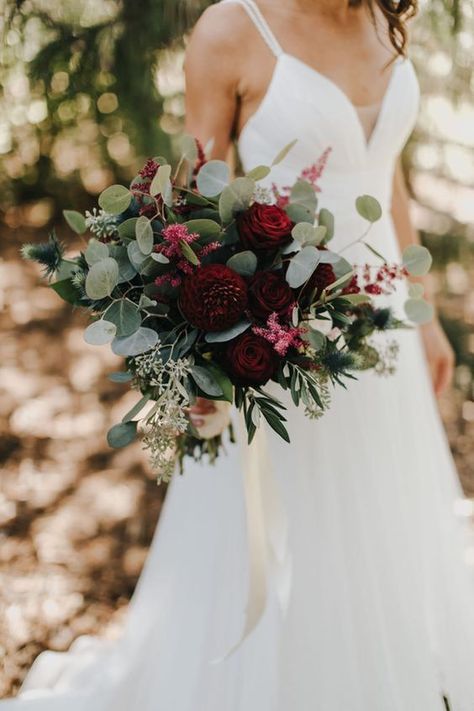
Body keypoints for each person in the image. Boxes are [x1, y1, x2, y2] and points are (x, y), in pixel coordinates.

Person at [2, 1, 474, 709]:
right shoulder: (234, 30)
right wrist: (202, 352)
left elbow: (387, 176)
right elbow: (191, 211)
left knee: (377, 517)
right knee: (282, 530)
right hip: (279, 342)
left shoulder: (382, 14)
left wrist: (424, 308)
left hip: (382, 330)